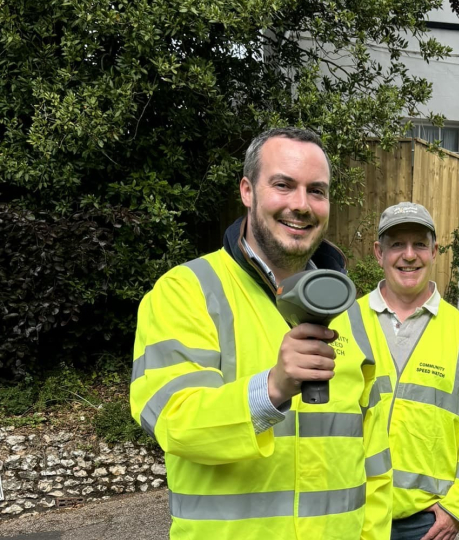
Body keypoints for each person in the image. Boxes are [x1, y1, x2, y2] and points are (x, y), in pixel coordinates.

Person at [130, 127, 392, 539]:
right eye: (283, 185)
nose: (301, 205)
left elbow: (374, 456)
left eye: (317, 191)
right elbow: (173, 422)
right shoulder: (187, 291)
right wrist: (271, 389)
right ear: (248, 191)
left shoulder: (352, 313)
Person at [345, 202, 459, 540]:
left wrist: (457, 508)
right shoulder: (344, 323)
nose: (409, 255)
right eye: (397, 244)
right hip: (353, 510)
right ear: (378, 252)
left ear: (434, 251)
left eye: (419, 244)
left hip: (425, 524)